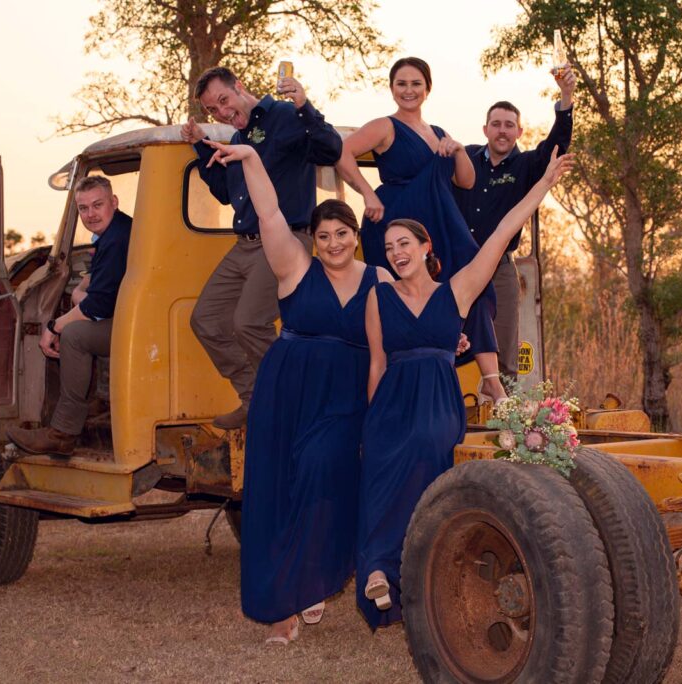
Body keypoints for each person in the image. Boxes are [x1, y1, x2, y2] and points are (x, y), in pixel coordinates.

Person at [356, 149, 575, 630]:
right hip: (391, 403)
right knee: (381, 479)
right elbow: (375, 363)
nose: (395, 252)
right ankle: (377, 569)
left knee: (428, 471)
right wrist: (368, 424)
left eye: (403, 243)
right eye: (388, 246)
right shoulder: (378, 296)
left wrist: (543, 186)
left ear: (424, 245)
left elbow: (500, 235)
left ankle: (420, 580)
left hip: (437, 401)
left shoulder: (456, 291)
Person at [202, 140, 392, 645]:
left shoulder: (380, 279)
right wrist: (250, 158)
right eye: (325, 235)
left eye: (342, 234)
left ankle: (313, 577)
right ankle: (286, 605)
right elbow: (268, 212)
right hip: (286, 392)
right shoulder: (294, 267)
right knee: (279, 493)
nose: (333, 243)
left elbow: (417, 313)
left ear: (357, 235)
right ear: (315, 239)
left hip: (346, 397)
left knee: (322, 470)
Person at [335, 57, 507, 404]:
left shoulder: (441, 133)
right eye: (401, 83)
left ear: (427, 89)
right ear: (392, 88)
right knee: (404, 303)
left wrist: (457, 148)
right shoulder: (385, 126)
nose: (409, 90)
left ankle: (490, 379)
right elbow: (342, 153)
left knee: (473, 287)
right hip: (399, 219)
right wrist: (367, 193)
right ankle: (405, 381)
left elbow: (467, 180)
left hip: (440, 222)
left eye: (416, 84)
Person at [180, 66, 343, 429]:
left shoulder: (283, 116)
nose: (221, 112)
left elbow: (330, 148)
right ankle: (255, 398)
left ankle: (293, 401)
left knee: (248, 322)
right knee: (205, 320)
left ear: (239, 87)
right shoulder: (239, 136)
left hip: (284, 240)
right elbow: (225, 193)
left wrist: (303, 103)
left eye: (223, 100)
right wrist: (198, 142)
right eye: (212, 110)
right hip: (244, 244)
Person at [453, 69, 576, 379]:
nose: (502, 131)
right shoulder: (465, 158)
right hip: (458, 265)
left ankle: (503, 416)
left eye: (509, 125)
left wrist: (566, 97)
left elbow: (557, 145)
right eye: (496, 124)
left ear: (520, 131)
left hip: (500, 270)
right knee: (449, 341)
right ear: (485, 129)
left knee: (504, 347)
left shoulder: (527, 165)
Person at [7, 176, 132, 456]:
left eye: (98, 205)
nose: (90, 214)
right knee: (79, 320)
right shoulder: (115, 231)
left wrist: (54, 326)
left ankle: (63, 432)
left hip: (137, 326)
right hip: (128, 316)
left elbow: (98, 307)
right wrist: (81, 292)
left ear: (113, 202)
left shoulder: (116, 239)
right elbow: (99, 288)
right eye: (84, 208)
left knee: (74, 335)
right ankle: (97, 403)